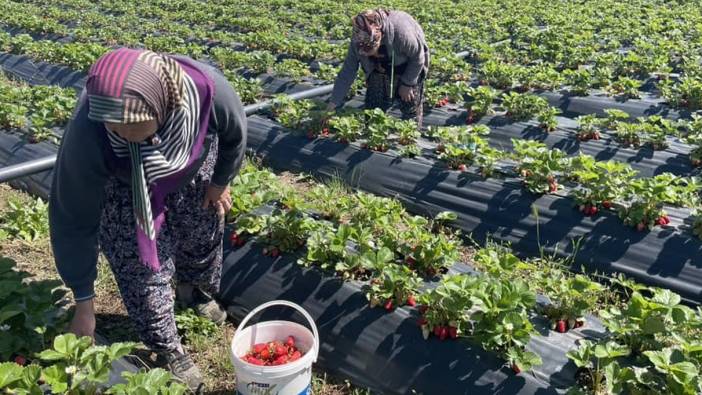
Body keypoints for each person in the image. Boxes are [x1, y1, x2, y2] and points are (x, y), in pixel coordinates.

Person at [48, 47, 247, 391]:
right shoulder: (90, 130)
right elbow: (73, 217)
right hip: (125, 186)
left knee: (202, 230)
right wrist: (83, 300)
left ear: (165, 107)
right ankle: (168, 347)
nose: (124, 135)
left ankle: (193, 291)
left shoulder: (206, 90)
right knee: (142, 267)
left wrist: (220, 181)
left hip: (190, 162)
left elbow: (235, 135)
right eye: (118, 131)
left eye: (135, 130)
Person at [327, 9, 429, 126]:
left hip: (408, 64)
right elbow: (347, 72)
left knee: (409, 104)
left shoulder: (402, 34)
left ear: (379, 40)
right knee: (373, 111)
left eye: (370, 52)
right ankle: (372, 129)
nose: (365, 54)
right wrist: (333, 104)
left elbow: (418, 57)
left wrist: (408, 83)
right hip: (379, 68)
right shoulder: (358, 39)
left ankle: (411, 134)